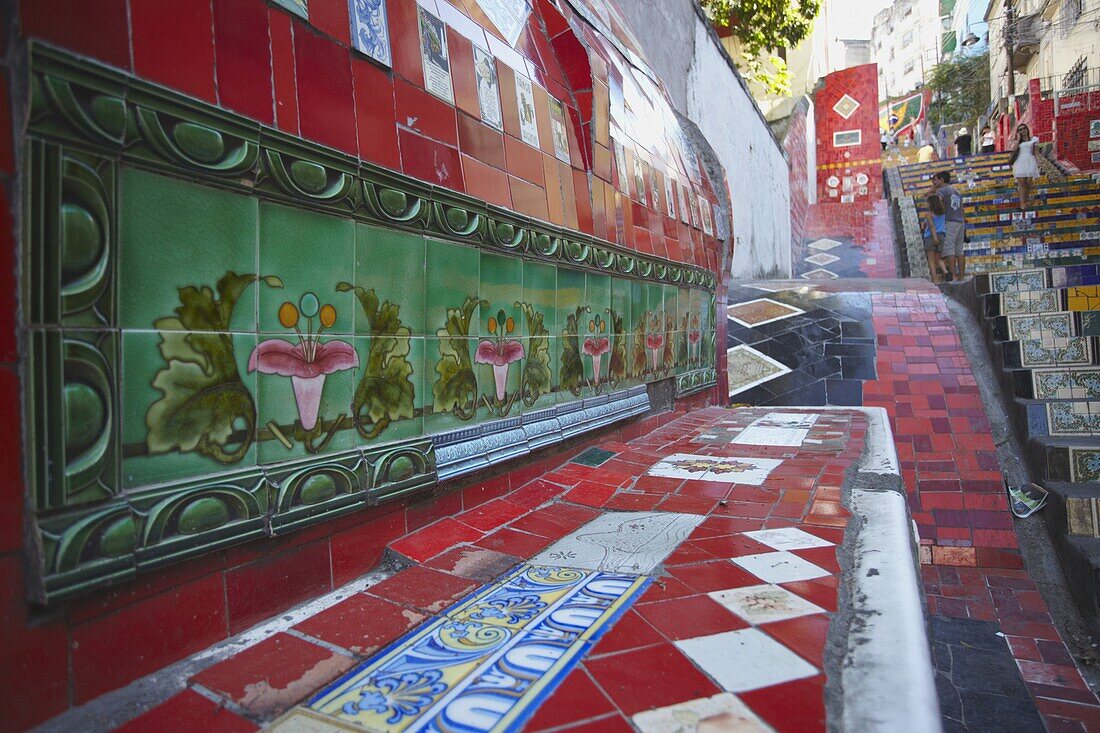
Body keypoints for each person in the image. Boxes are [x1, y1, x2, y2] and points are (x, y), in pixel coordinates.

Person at [932, 171, 967, 281]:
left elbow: (936, 203)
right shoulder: (957, 191)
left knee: (949, 250)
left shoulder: (941, 191)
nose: (934, 182)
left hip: (949, 221)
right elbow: (962, 208)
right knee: (959, 250)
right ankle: (961, 276)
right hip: (960, 222)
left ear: (942, 179)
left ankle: (953, 276)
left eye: (935, 179)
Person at [1010, 124, 1041, 210]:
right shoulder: (1017, 141)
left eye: (1024, 128)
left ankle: (1026, 200)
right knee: (1022, 183)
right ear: (1018, 132)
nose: (1022, 130)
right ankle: (1022, 204)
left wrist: (1039, 162)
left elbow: (1036, 152)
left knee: (1028, 182)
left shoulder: (1034, 139)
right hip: (1020, 161)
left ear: (1027, 129)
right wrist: (1018, 138)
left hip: (1030, 160)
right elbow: (1013, 149)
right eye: (1020, 130)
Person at [922, 191, 950, 283]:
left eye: (927, 202)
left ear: (931, 204)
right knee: (938, 258)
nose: (926, 204)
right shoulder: (942, 214)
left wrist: (934, 238)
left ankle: (934, 279)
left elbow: (932, 226)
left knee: (931, 260)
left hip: (931, 237)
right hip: (942, 235)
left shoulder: (928, 215)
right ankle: (946, 272)